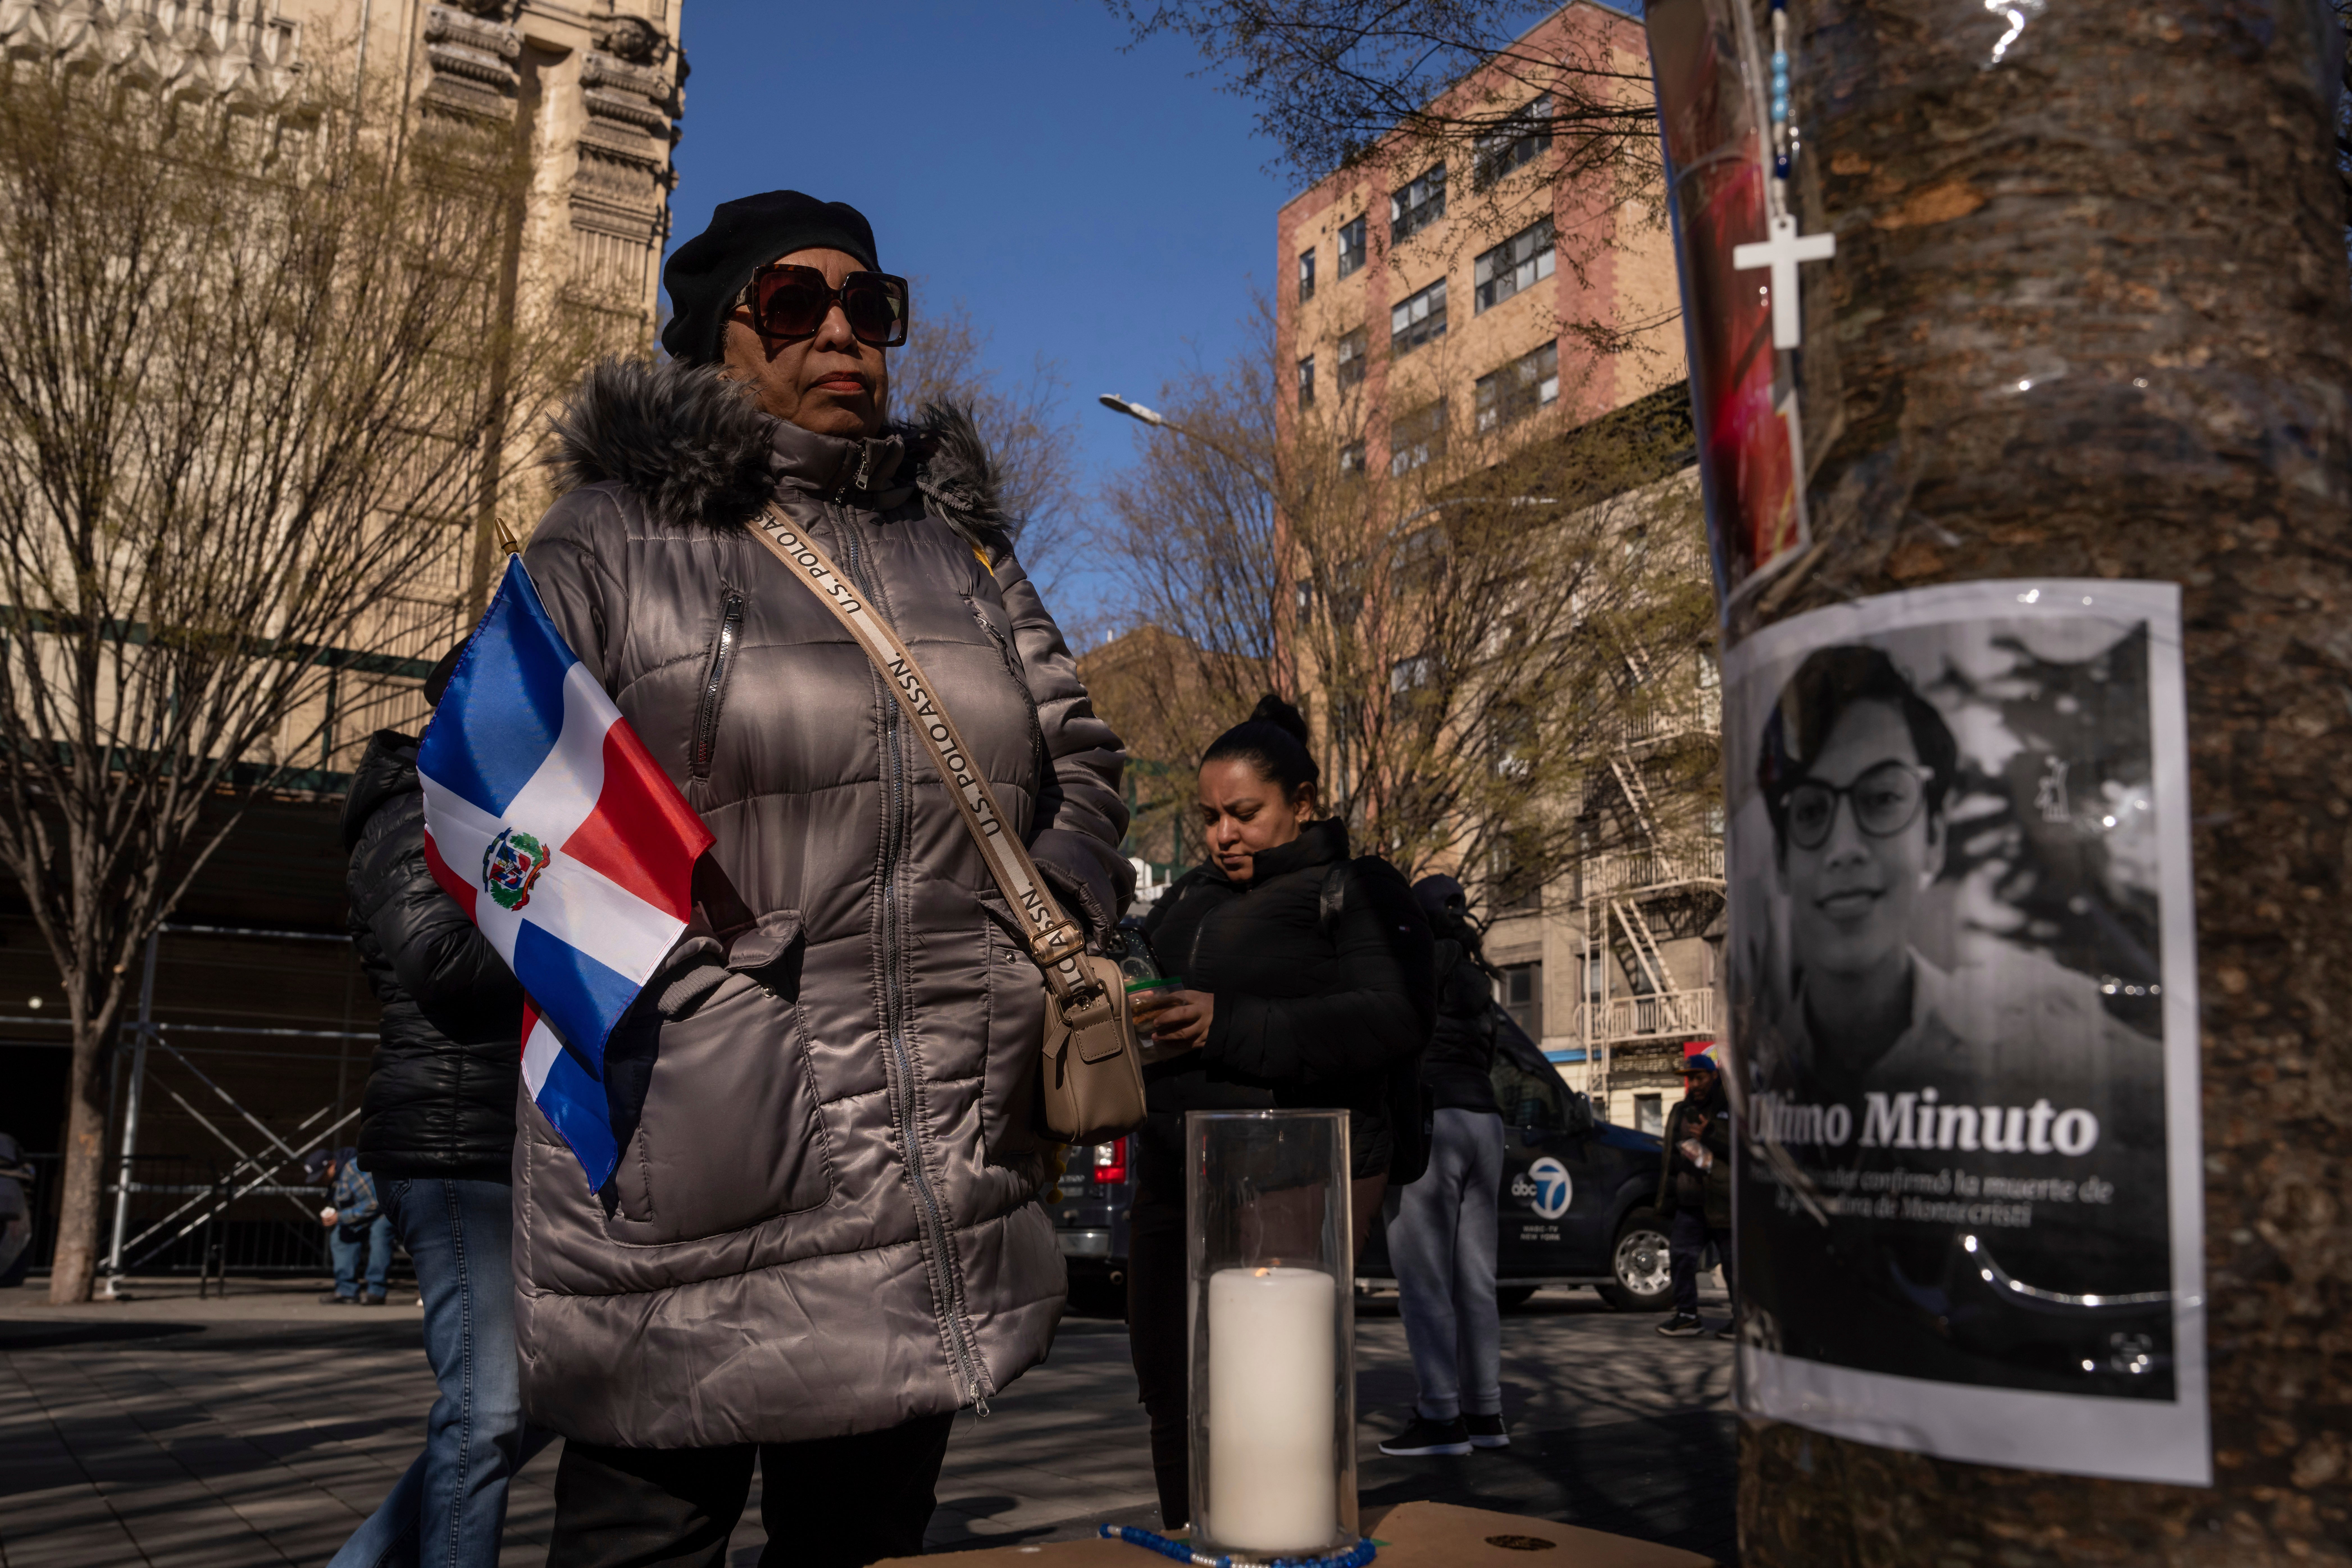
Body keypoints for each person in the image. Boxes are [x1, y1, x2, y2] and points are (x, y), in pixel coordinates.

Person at [513, 190, 1129, 1568]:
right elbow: (496, 809)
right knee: (642, 1541)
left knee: (865, 1544)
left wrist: (1057, 909)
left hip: (924, 1162)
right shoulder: (604, 539)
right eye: (795, 304)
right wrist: (687, 983)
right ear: (712, 338)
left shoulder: (963, 559)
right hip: (690, 1167)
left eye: (872, 304)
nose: (844, 331)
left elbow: (1079, 754)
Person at [1742, 643, 2167, 1387]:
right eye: (1808, 810)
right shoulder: (1765, 1072)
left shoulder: (2046, 1031)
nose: (1841, 848)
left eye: (1879, 799)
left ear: (1933, 835)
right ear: (1779, 855)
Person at [1127, 695, 1434, 1527]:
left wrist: (1226, 1021)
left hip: (1292, 1176)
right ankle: (1191, 1537)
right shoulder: (1184, 899)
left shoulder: (1356, 888)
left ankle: (1282, 1543)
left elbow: (1395, 1014)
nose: (1222, 833)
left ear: (1302, 804)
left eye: (1243, 813)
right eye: (1209, 817)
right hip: (1171, 1176)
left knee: (1269, 1400)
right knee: (1173, 1389)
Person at [327, 665, 555, 1568]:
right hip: (451, 1145)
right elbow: (444, 965)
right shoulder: (407, 815)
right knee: (490, 1410)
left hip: (514, 1139)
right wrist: (581, 924)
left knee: (532, 1403)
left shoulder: (502, 816)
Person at [1378, 874, 1509, 1458]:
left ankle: (1439, 1416)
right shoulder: (1476, 977)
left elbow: (1394, 1038)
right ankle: (1485, 1411)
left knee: (1424, 1279)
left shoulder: (1418, 961)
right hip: (1486, 1120)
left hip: (1434, 1118)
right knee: (1477, 1280)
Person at [1654, 1044, 1733, 1339]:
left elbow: (1745, 1148)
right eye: (1691, 1078)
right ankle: (1687, 1316)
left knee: (1732, 1264)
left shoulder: (1728, 1109)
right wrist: (1667, 1200)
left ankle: (1741, 1319)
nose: (1695, 1084)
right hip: (1690, 1203)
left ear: (1713, 1077)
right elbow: (1669, 1162)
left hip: (1723, 1201)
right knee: (1680, 1257)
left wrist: (1710, 1137)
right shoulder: (1679, 1111)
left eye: (1700, 1078)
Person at [311, 1147, 392, 1306]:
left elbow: (375, 1204)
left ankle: (376, 1291)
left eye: (321, 1175)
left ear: (332, 1165)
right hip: (364, 1217)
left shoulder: (353, 1170)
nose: (320, 1180)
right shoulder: (336, 1180)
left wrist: (340, 1217)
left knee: (379, 1233)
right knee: (340, 1235)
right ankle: (346, 1291)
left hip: (386, 1213)